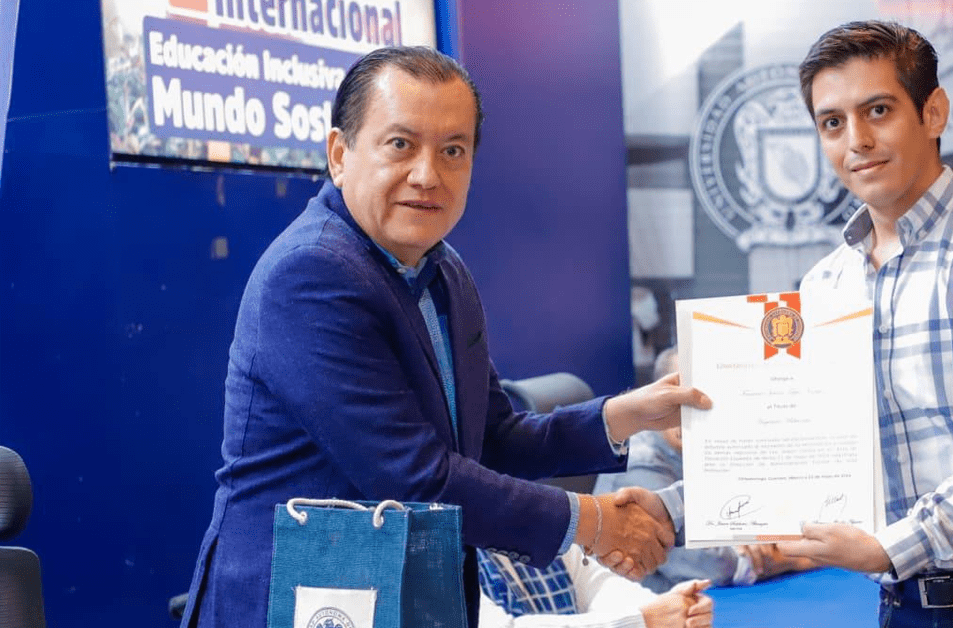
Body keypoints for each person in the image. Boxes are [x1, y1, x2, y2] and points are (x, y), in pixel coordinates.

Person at [178, 46, 710, 628]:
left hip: (411, 600)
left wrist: (627, 415)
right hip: (299, 601)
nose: (428, 175)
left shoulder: (444, 270)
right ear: (339, 154)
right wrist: (596, 520)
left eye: (453, 150)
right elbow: (416, 478)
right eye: (400, 144)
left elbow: (494, 439)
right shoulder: (310, 274)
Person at [609, 21, 953, 627]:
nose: (858, 140)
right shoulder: (825, 285)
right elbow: (797, 454)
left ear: (933, 112)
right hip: (905, 606)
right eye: (832, 122)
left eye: (878, 110)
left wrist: (889, 548)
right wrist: (670, 509)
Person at [595, 348, 814, 592]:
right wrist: (792, 559)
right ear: (657, 399)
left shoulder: (720, 445)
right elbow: (708, 563)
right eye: (681, 400)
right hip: (649, 603)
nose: (695, 410)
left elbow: (762, 512)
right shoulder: (639, 462)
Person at [477, 545, 713, 628]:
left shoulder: (531, 522)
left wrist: (672, 608)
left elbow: (597, 585)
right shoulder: (452, 544)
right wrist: (644, 620)